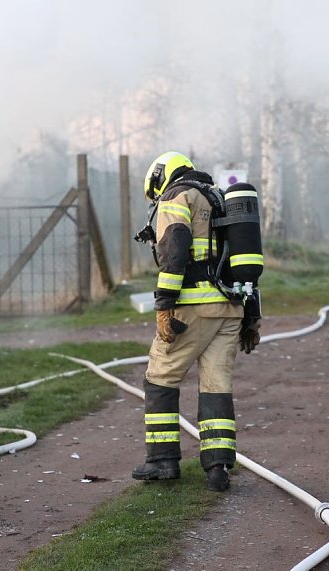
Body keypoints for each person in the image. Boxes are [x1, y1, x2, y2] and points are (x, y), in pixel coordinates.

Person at [131, 151, 263, 492]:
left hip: (193, 308)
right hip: (231, 310)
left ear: (161, 176)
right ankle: (218, 467)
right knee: (216, 384)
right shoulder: (220, 198)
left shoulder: (177, 197)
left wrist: (163, 306)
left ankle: (162, 461)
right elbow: (240, 261)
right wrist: (252, 316)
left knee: (160, 378)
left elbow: (174, 252)